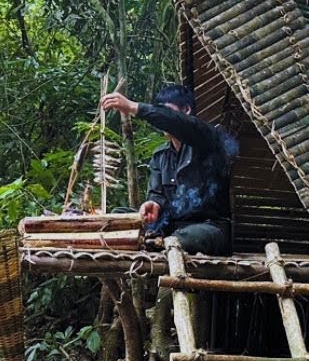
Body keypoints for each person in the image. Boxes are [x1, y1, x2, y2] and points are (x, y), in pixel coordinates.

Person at [100, 84, 235, 255]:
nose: (160, 118)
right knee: (117, 216)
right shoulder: (160, 155)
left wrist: (135, 107)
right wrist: (154, 204)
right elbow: (157, 195)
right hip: (169, 227)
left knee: (186, 238)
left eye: (165, 111)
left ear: (186, 110)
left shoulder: (207, 139)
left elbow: (174, 121)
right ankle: (158, 242)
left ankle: (159, 242)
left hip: (208, 228)